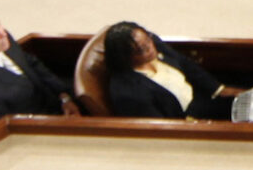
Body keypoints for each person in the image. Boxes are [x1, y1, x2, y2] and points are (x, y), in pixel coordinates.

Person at [97, 20, 237, 120]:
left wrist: (218, 89)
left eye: (148, 41)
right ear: (124, 57)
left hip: (200, 97)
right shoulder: (128, 92)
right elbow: (156, 125)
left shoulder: (153, 43)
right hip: (184, 119)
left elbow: (184, 63)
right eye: (141, 50)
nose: (150, 49)